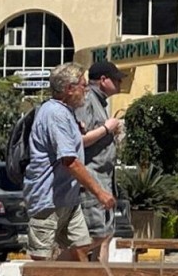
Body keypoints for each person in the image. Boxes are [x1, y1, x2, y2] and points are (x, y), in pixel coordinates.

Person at [24, 62, 116, 261]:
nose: (86, 90)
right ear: (69, 89)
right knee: (42, 260)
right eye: (83, 85)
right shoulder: (55, 114)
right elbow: (70, 161)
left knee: (81, 249)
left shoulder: (65, 112)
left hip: (68, 199)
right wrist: (99, 193)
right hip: (48, 200)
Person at [75, 60, 126, 260]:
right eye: (117, 79)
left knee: (105, 235)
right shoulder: (87, 100)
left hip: (104, 177)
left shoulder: (100, 102)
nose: (120, 84)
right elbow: (79, 140)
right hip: (92, 176)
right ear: (103, 80)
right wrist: (107, 128)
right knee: (94, 235)